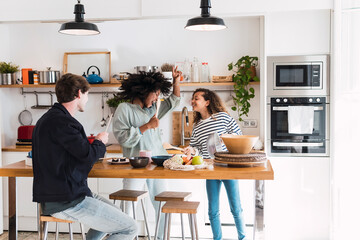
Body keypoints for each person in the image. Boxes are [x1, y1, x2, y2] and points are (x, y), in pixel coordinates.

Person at [32, 73, 137, 240]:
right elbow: (88, 157)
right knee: (130, 228)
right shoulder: (64, 123)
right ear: (79, 93)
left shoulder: (49, 119)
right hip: (67, 199)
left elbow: (75, 154)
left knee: (115, 217)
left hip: (65, 195)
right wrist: (100, 142)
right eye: (87, 94)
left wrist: (95, 144)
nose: (87, 99)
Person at [113, 68, 181, 239]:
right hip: (136, 165)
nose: (158, 98)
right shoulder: (124, 109)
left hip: (158, 163)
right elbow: (123, 139)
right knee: (128, 208)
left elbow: (174, 101)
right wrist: (147, 126)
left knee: (162, 205)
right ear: (144, 91)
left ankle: (161, 237)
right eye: (156, 94)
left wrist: (176, 81)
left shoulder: (153, 110)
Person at [184, 88, 246, 240]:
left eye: (196, 98)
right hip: (209, 169)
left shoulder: (222, 118)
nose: (192, 101)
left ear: (207, 102)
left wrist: (226, 138)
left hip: (227, 167)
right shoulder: (197, 126)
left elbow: (238, 135)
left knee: (236, 208)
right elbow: (196, 147)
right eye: (193, 98)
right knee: (212, 211)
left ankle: (242, 237)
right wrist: (190, 150)